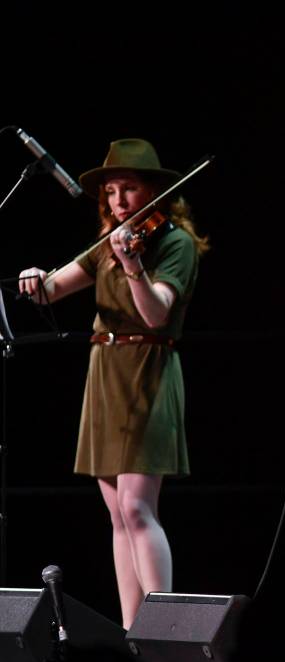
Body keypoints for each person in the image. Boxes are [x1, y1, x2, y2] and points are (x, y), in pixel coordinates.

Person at [18, 138, 206, 628]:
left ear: (153, 191)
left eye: (130, 188)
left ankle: (164, 628)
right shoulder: (109, 242)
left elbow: (157, 313)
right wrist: (36, 278)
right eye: (111, 191)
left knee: (138, 507)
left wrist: (133, 266)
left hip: (147, 369)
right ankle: (131, 629)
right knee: (118, 515)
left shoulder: (174, 243)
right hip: (105, 370)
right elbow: (52, 289)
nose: (119, 200)